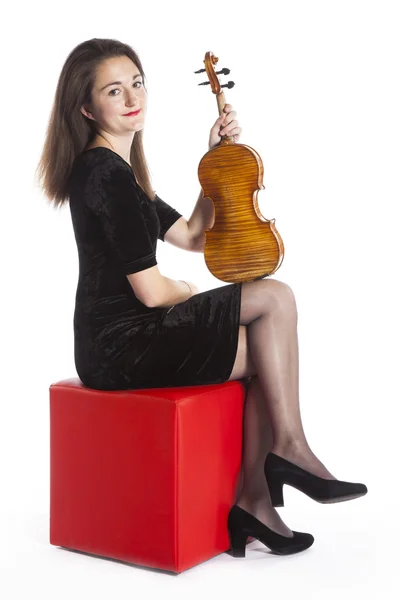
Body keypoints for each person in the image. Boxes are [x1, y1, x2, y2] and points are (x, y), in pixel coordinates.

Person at [36, 38, 367, 559]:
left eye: (137, 83)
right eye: (114, 90)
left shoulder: (123, 174)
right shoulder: (103, 174)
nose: (131, 97)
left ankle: (256, 502)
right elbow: (150, 291)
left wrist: (215, 163)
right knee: (275, 298)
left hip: (129, 338)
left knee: (268, 347)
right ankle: (290, 450)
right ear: (86, 107)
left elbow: (191, 234)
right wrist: (189, 291)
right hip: (120, 346)